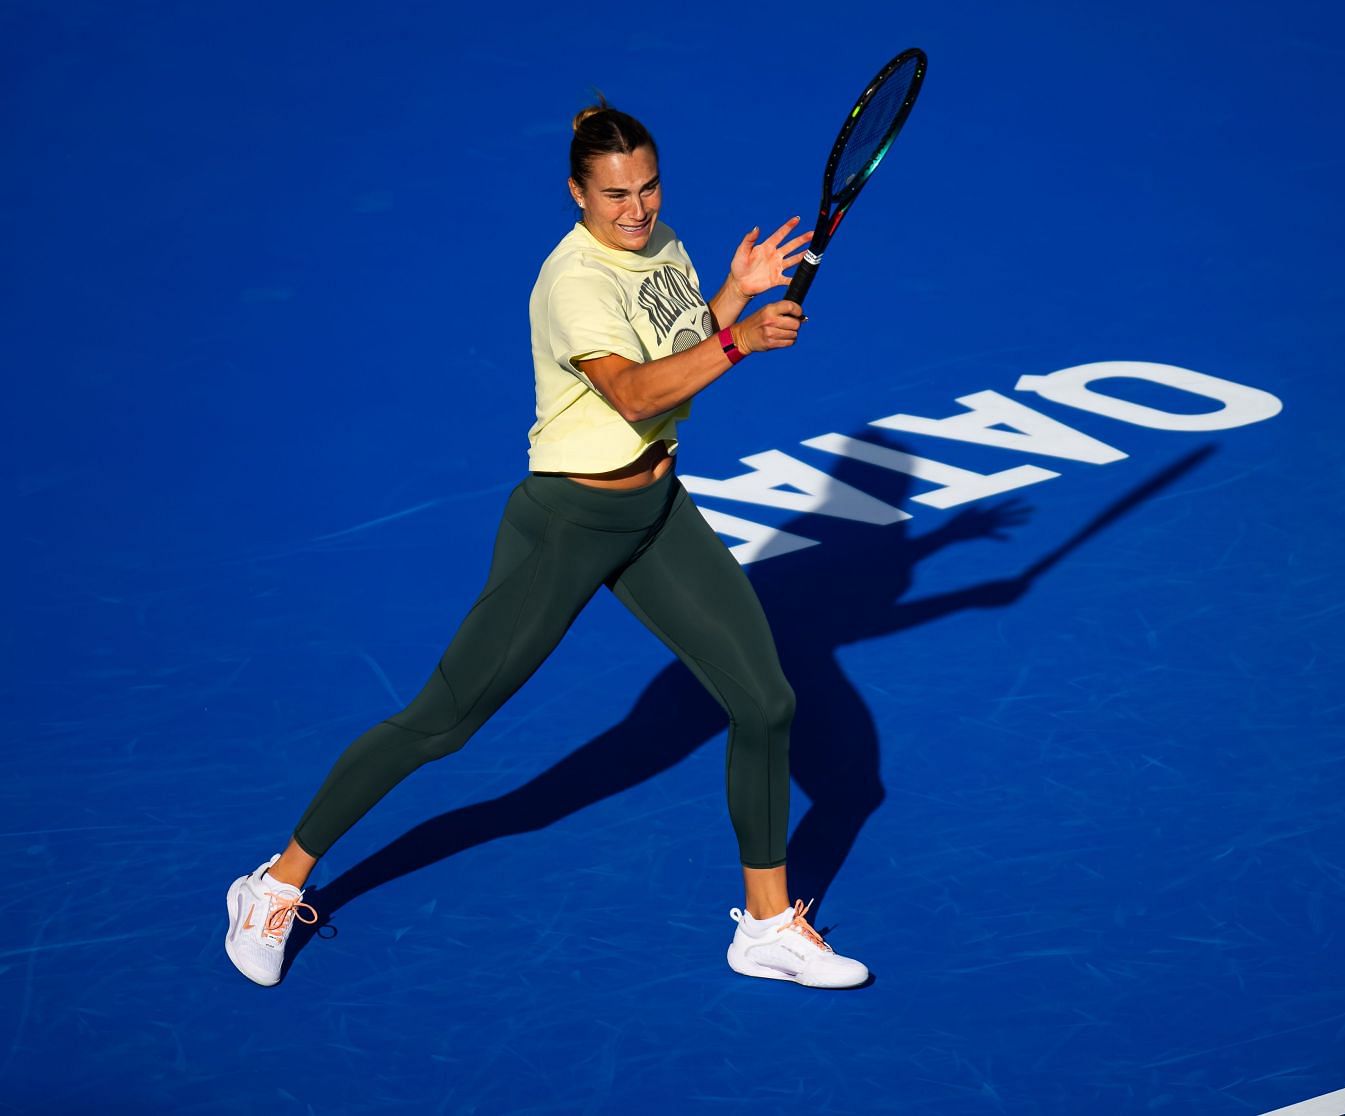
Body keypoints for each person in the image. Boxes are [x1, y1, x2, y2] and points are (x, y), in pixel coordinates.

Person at [223, 100, 868, 991]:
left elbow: (673, 356)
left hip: (655, 511)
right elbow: (638, 395)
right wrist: (741, 337)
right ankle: (272, 882)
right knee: (442, 721)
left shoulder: (663, 243)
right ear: (576, 192)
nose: (635, 210)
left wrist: (728, 297)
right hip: (569, 522)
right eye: (614, 196)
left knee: (766, 704)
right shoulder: (572, 282)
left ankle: (765, 928)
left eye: (647, 188)